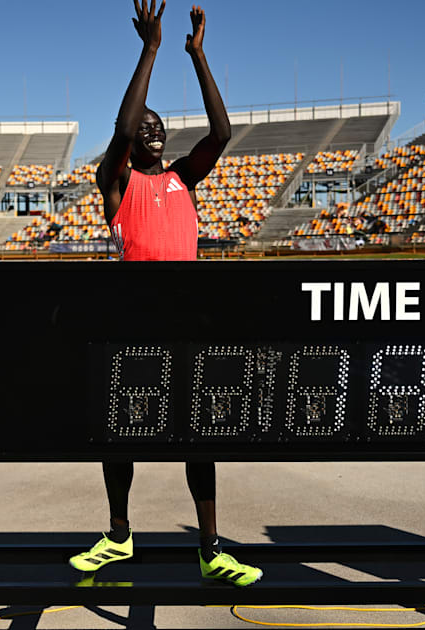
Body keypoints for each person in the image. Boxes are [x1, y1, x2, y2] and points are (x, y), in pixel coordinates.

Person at [67, 1, 262, 587]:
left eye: (159, 126)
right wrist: (149, 51)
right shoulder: (116, 182)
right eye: (144, 126)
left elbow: (221, 133)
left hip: (187, 323)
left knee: (198, 439)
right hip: (132, 323)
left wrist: (197, 55)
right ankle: (118, 535)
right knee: (118, 435)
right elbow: (123, 131)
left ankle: (211, 549)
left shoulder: (183, 177)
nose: (151, 130)